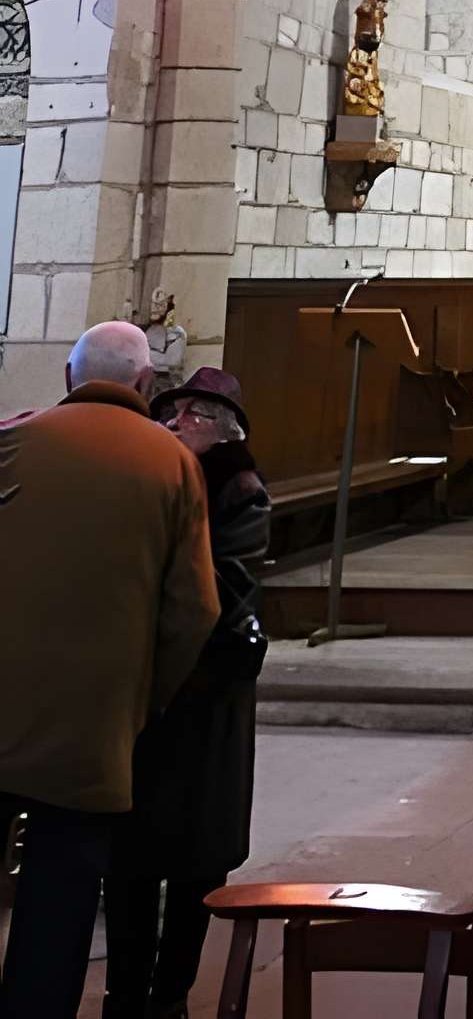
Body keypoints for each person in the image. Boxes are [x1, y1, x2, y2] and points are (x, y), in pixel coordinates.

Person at [0, 322, 217, 1019]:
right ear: (147, 386)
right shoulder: (172, 464)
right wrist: (142, 702)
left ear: (69, 379)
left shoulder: (12, 440)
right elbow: (196, 611)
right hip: (93, 726)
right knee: (57, 912)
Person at [102, 368, 271, 1019]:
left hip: (204, 703)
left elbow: (225, 592)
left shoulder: (239, 486)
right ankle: (124, 996)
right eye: (168, 415)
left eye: (189, 417)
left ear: (218, 430)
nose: (173, 426)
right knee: (134, 862)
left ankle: (170, 998)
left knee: (196, 863)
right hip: (152, 702)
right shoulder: (151, 478)